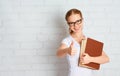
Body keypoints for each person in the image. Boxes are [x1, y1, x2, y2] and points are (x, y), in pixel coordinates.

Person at [56, 8, 109, 76]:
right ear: (68, 24)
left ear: (82, 20)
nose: (76, 26)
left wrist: (90, 59)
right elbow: (58, 53)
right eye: (72, 23)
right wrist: (67, 50)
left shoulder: (89, 41)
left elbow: (106, 58)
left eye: (78, 21)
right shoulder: (67, 41)